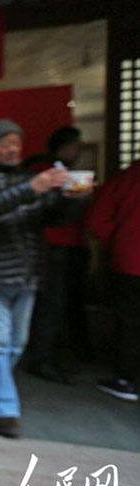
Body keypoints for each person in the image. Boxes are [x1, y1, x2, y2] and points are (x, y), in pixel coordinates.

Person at [0, 119, 74, 439]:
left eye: (17, 143)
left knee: (16, 343)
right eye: (6, 143)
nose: (13, 149)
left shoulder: (28, 178)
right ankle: (2, 408)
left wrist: (69, 196)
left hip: (27, 275)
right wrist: (31, 188)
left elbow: (52, 217)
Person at [23, 126, 92, 384]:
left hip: (68, 246)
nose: (78, 151)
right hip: (49, 247)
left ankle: (57, 352)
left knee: (62, 303)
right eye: (76, 146)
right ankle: (42, 357)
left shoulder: (58, 170)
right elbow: (43, 212)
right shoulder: (44, 172)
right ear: (63, 147)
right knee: (50, 304)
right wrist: (72, 198)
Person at [86, 160, 140, 402]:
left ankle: (126, 380)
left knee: (130, 321)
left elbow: (97, 221)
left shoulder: (127, 178)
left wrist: (116, 239)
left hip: (131, 260)